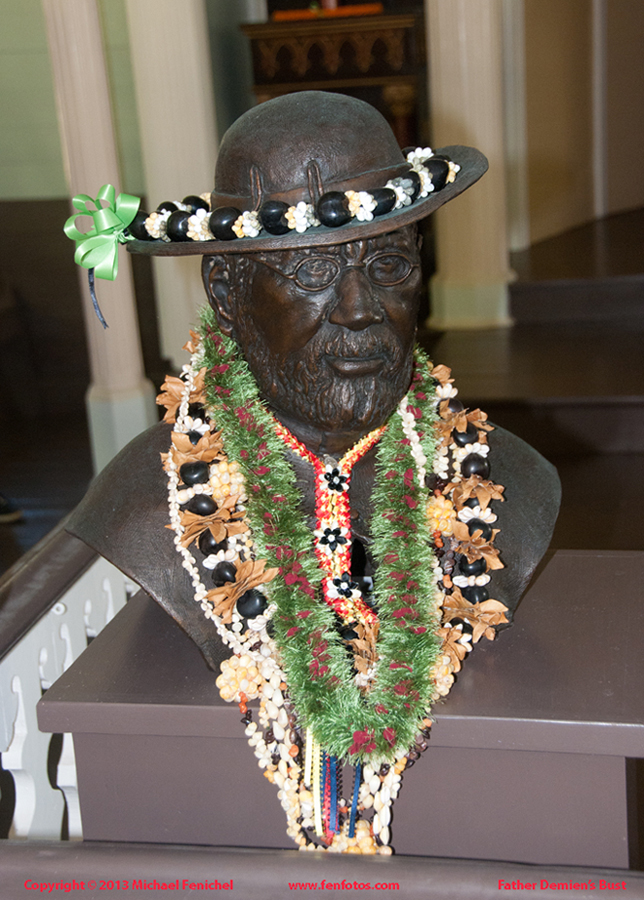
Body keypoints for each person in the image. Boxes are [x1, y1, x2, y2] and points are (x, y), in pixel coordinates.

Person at [67, 92, 560, 853]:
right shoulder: (147, 501)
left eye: (389, 262)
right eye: (314, 270)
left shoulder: (506, 479)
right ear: (227, 296)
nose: (361, 309)